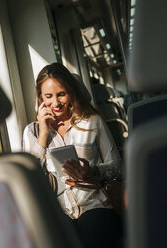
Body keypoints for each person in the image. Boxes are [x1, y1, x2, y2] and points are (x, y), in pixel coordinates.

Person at [22, 63, 124, 248]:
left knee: (89, 237)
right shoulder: (32, 131)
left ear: (71, 92)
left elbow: (117, 166)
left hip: (97, 205)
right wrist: (43, 136)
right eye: (48, 96)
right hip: (60, 212)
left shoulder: (92, 121)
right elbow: (30, 178)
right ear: (40, 98)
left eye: (61, 94)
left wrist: (91, 171)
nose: (56, 103)